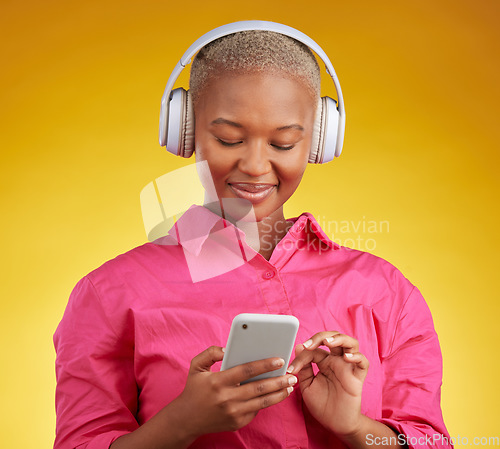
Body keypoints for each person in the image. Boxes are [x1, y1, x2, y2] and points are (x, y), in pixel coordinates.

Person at [53, 23, 452, 449]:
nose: (256, 165)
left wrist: (356, 428)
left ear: (318, 142)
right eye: (229, 139)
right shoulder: (108, 293)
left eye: (283, 144)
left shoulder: (386, 290)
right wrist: (179, 424)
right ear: (184, 132)